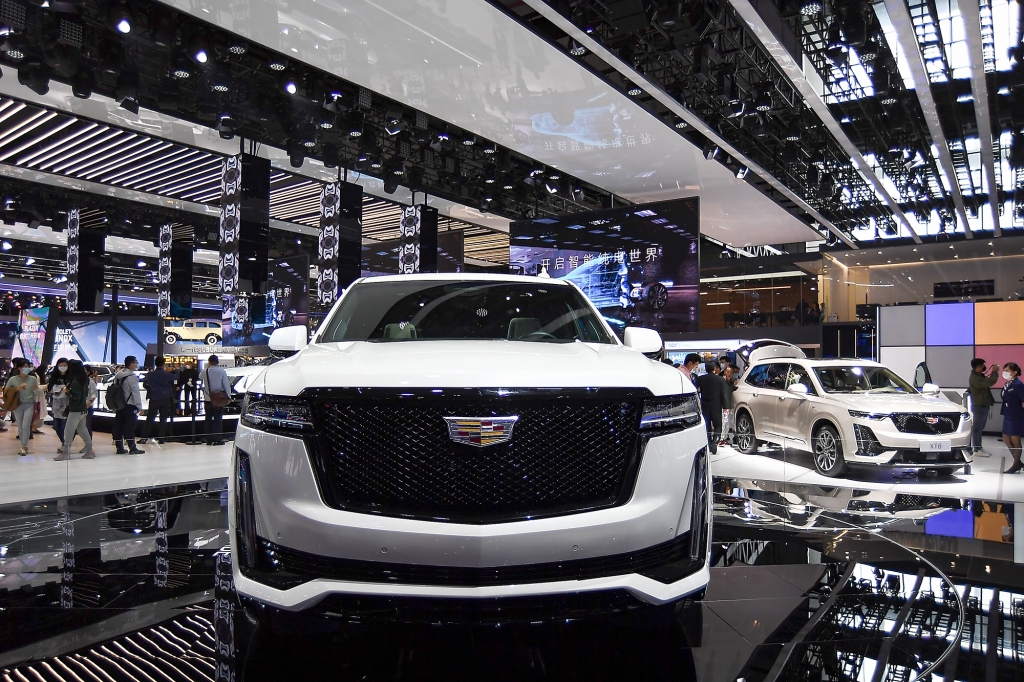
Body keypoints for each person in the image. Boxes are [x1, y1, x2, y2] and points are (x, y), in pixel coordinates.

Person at [55, 360, 95, 461]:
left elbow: (75, 396)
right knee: (82, 429)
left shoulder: (75, 381)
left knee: (68, 431)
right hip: (82, 409)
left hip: (75, 410)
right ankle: (90, 450)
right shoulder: (85, 380)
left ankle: (66, 452)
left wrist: (67, 392)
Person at [5, 358, 39, 456]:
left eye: (28, 367)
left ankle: (24, 446)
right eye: (24, 367)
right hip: (17, 405)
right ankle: (22, 445)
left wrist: (35, 389)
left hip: (29, 404)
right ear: (19, 368)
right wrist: (17, 388)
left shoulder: (33, 379)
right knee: (20, 425)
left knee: (26, 425)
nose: (27, 368)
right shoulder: (13, 379)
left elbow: (37, 393)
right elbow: (6, 391)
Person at [111, 356, 145, 455]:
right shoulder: (132, 377)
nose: (137, 364)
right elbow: (135, 392)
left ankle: (119, 448)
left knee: (118, 426)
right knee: (130, 427)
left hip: (119, 404)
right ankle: (132, 448)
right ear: (131, 364)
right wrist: (139, 406)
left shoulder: (118, 375)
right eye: (136, 362)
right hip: (130, 405)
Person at [968, 358, 1000, 457]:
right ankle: (976, 448)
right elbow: (988, 383)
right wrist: (994, 372)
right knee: (977, 428)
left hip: (982, 405)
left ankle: (979, 447)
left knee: (980, 427)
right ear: (977, 367)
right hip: (979, 405)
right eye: (982, 366)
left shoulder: (978, 376)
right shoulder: (974, 378)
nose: (983, 367)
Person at [140, 357, 176, 445]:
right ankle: (161, 438)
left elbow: (145, 385)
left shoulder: (150, 374)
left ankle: (144, 438)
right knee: (163, 419)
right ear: (164, 364)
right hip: (165, 398)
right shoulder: (167, 374)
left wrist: (151, 389)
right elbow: (174, 380)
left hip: (154, 398)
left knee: (150, 418)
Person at [695, 361, 728, 455]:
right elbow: (723, 394)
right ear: (714, 369)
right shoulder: (720, 379)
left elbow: (696, 390)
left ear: (705, 369)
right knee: (718, 426)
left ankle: (709, 444)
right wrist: (725, 406)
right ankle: (715, 442)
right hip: (717, 405)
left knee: (707, 426)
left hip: (704, 405)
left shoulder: (701, 379)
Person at [202, 355, 231, 446]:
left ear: (209, 362)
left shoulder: (205, 371)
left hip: (208, 398)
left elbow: (199, 377)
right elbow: (226, 384)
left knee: (208, 418)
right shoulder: (221, 371)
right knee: (218, 418)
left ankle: (208, 439)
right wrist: (228, 396)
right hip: (219, 399)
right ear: (218, 362)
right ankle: (217, 438)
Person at [1001, 363, 1024, 474]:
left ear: (1015, 372)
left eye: (1007, 370)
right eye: (1004, 370)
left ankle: (1015, 464)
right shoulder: (1008, 383)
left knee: (1015, 440)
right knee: (1006, 438)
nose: (1005, 372)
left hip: (1016, 415)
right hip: (1008, 414)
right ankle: (1018, 462)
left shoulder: (1018, 384)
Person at [46, 358, 71, 452]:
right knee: (56, 425)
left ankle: (66, 445)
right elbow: (50, 389)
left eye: (65, 365)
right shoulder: (54, 376)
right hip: (56, 403)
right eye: (60, 365)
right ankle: (64, 443)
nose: (62, 367)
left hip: (67, 403)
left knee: (64, 425)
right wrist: (58, 389)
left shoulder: (71, 377)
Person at [721, 364, 739, 446]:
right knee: (724, 422)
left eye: (731, 372)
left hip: (731, 405)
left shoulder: (734, 382)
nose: (729, 374)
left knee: (730, 423)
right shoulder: (721, 381)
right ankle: (722, 438)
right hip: (724, 406)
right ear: (725, 372)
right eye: (728, 372)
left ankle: (728, 437)